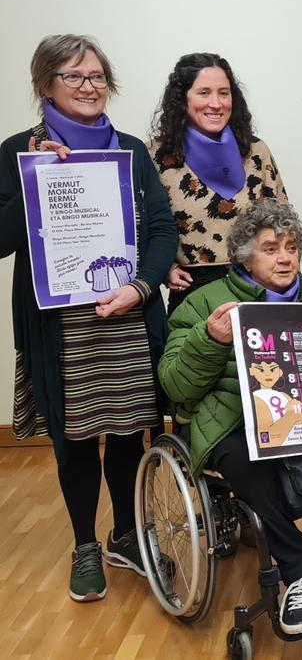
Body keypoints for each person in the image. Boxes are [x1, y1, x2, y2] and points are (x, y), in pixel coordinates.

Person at [158, 200, 302, 634]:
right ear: (246, 255)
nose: (285, 257)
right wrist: (209, 340)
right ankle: (299, 567)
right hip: (233, 421)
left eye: (291, 247)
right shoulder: (202, 303)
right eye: (270, 248)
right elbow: (175, 385)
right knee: (244, 456)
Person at [0, 35, 176, 602]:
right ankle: (84, 545)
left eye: (98, 76)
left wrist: (140, 288)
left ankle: (125, 534)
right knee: (74, 441)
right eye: (75, 77)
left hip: (125, 316)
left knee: (127, 433)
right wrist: (34, 186)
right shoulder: (15, 153)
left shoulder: (130, 150)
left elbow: (161, 230)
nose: (90, 86)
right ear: (45, 85)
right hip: (62, 326)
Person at [148, 52, 288, 313]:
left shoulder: (256, 152)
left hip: (255, 287)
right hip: (193, 295)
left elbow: (282, 222)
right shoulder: (154, 156)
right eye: (204, 93)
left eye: (224, 93)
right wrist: (164, 269)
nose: (216, 103)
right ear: (183, 98)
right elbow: (144, 225)